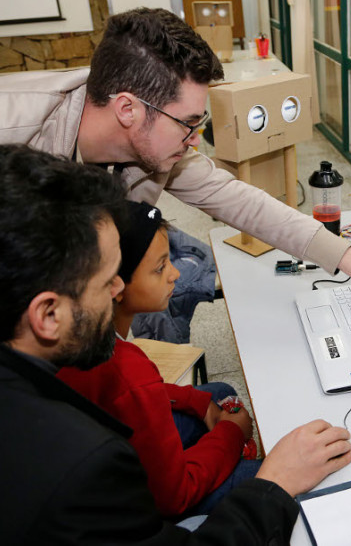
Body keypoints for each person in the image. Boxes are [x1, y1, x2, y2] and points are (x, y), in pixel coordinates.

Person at [0, 144, 351, 544]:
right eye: (107, 278)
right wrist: (275, 483)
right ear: (47, 315)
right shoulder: (82, 468)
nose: (118, 290)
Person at [0, 7, 351, 330]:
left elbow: (239, 201)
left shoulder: (157, 143)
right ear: (129, 109)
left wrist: (350, 259)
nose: (195, 139)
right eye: (189, 123)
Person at [58, 200, 260, 518]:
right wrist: (231, 434)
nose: (175, 274)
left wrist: (197, 402)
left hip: (105, 457)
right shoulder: (127, 370)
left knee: (217, 393)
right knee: (268, 479)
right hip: (135, 506)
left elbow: (140, 395)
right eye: (160, 267)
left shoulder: (81, 335)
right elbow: (174, 497)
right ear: (115, 285)